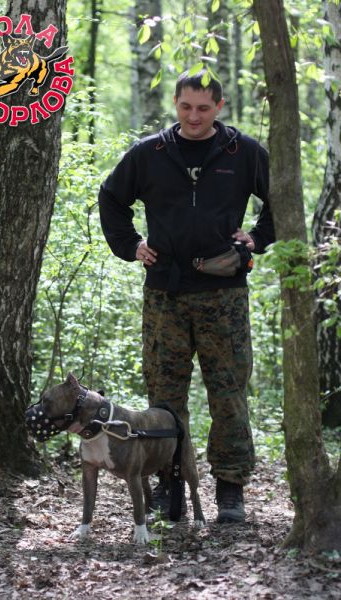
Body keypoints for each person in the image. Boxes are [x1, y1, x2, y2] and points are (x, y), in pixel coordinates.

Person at [98, 69, 275, 523]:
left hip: (224, 294)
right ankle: (169, 485)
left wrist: (258, 237)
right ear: (175, 104)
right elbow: (111, 198)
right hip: (165, 293)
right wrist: (130, 245)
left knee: (229, 393)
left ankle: (231, 489)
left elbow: (282, 197)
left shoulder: (243, 152)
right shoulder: (150, 153)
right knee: (164, 398)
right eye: (185, 107)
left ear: (219, 107)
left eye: (203, 108)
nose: (194, 117)